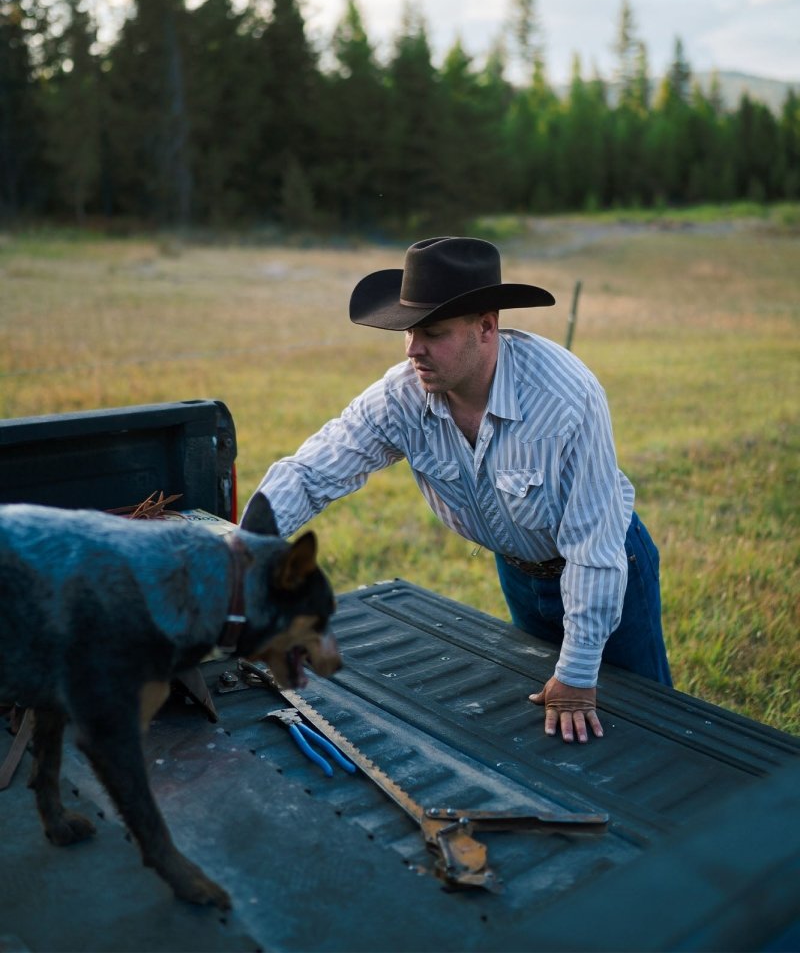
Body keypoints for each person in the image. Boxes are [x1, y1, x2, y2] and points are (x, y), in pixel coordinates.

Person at [242, 236, 672, 744]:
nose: (412, 349)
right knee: (555, 731)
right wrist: (241, 552)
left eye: (432, 332)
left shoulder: (564, 396)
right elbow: (312, 472)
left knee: (646, 724)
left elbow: (593, 545)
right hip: (519, 569)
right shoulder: (402, 396)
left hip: (608, 565)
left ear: (486, 327)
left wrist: (578, 675)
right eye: (407, 332)